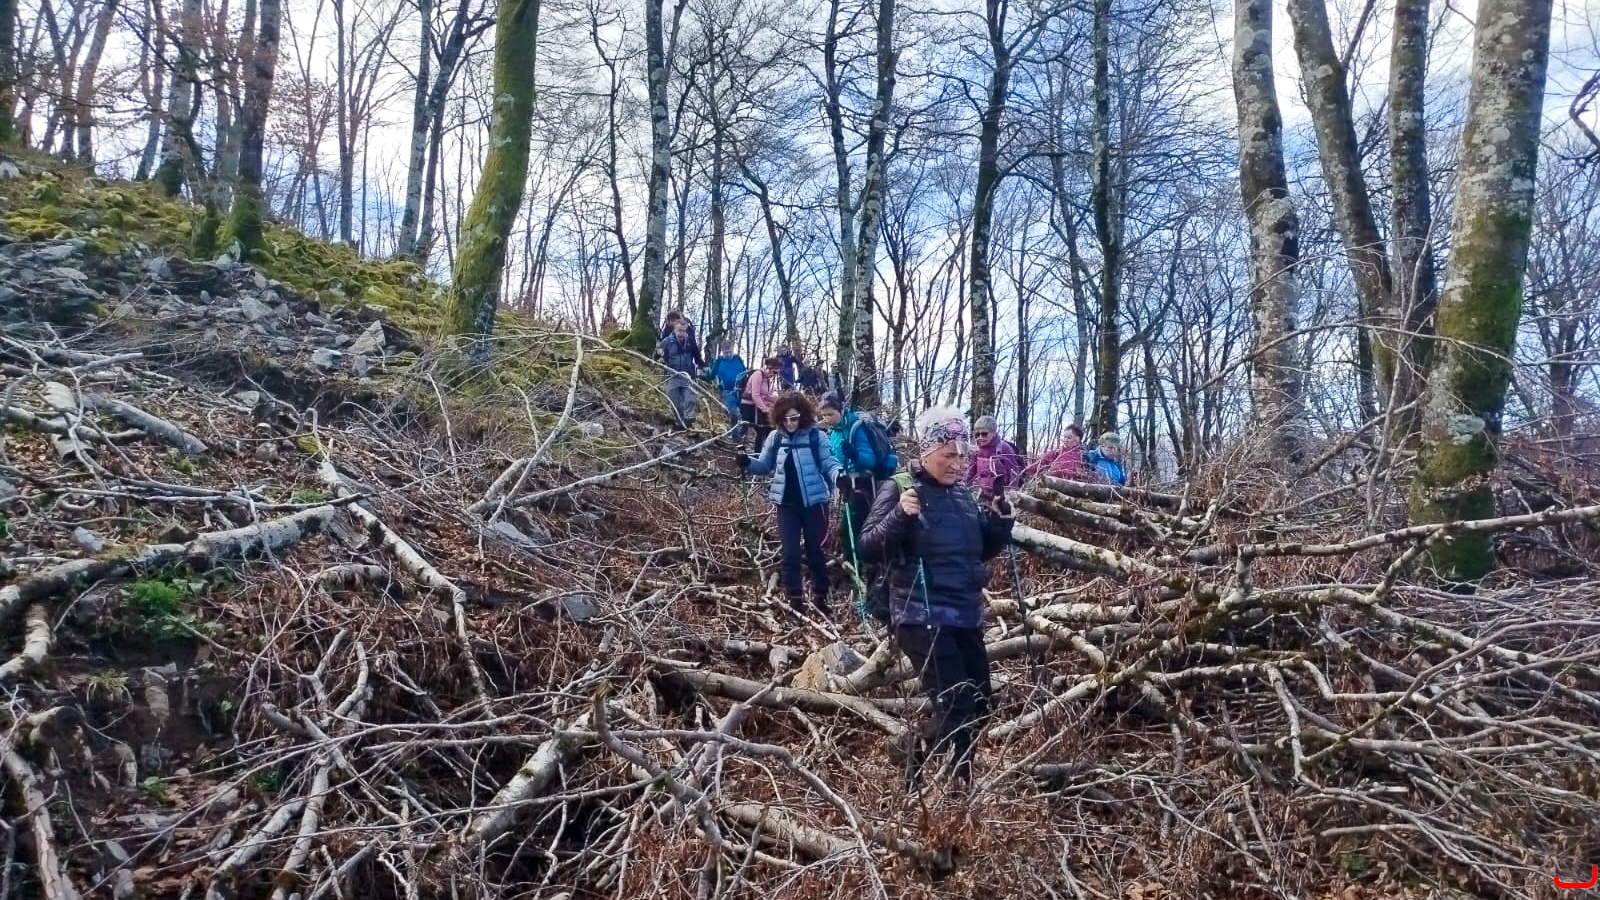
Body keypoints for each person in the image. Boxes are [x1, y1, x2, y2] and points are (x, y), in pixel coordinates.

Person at [859, 405, 1014, 789]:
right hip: (919, 613)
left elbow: (976, 552)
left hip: (964, 613)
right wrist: (900, 515)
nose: (958, 463)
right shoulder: (899, 487)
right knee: (958, 703)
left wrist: (1000, 524)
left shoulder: (963, 496)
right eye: (949, 455)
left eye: (962, 455)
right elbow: (867, 546)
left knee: (979, 703)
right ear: (927, 451)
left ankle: (919, 751)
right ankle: (952, 788)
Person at [740, 393, 843, 619]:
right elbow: (764, 465)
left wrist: (839, 477)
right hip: (786, 505)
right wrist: (746, 462)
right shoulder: (775, 438)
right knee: (790, 554)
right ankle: (795, 605)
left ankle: (821, 599)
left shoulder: (816, 436)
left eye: (794, 418)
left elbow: (830, 463)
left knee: (816, 552)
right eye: (784, 419)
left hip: (815, 504)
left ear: (803, 415)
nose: (789, 423)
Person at [818, 394, 884, 583]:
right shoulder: (833, 431)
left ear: (840, 410)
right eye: (824, 415)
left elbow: (869, 460)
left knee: (853, 529)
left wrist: (854, 455)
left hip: (862, 486)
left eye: (830, 414)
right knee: (849, 529)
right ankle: (855, 568)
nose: (827, 419)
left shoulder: (856, 428)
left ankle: (859, 570)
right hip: (846, 485)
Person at [658, 317, 704, 428]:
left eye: (684, 331)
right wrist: (659, 355)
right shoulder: (667, 342)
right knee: (675, 402)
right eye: (679, 330)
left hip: (688, 376)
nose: (682, 333)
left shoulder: (691, 342)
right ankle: (679, 423)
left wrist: (703, 366)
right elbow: (657, 356)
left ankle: (689, 424)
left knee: (690, 400)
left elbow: (697, 357)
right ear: (674, 329)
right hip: (672, 376)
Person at [966, 414, 1022, 500]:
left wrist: (1011, 494)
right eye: (977, 434)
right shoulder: (977, 451)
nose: (980, 437)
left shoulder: (1004, 448)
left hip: (1001, 495)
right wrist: (962, 486)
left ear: (994, 433)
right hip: (982, 493)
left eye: (984, 434)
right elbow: (970, 472)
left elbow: (1014, 473)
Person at [1020, 424, 1088, 482]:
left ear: (1077, 440)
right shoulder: (1057, 452)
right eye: (1064, 437)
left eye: (1069, 438)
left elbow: (1087, 475)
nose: (1065, 440)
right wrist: (1024, 472)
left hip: (1073, 488)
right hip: (1053, 485)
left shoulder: (1083, 456)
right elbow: (1040, 463)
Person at [739, 356, 781, 450]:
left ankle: (766, 450)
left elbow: (765, 395)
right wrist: (765, 409)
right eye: (775, 372)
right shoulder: (758, 375)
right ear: (769, 367)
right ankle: (751, 450)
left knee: (768, 428)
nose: (775, 375)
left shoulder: (767, 379)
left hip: (756, 406)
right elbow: (755, 395)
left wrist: (777, 401)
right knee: (758, 429)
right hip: (748, 406)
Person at [708, 341, 747, 426]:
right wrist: (701, 376)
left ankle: (744, 430)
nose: (728, 354)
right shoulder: (719, 361)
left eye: (730, 352)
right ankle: (734, 432)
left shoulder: (738, 359)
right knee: (733, 413)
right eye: (726, 353)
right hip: (727, 391)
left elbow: (745, 372)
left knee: (745, 413)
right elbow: (711, 375)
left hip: (741, 390)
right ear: (722, 351)